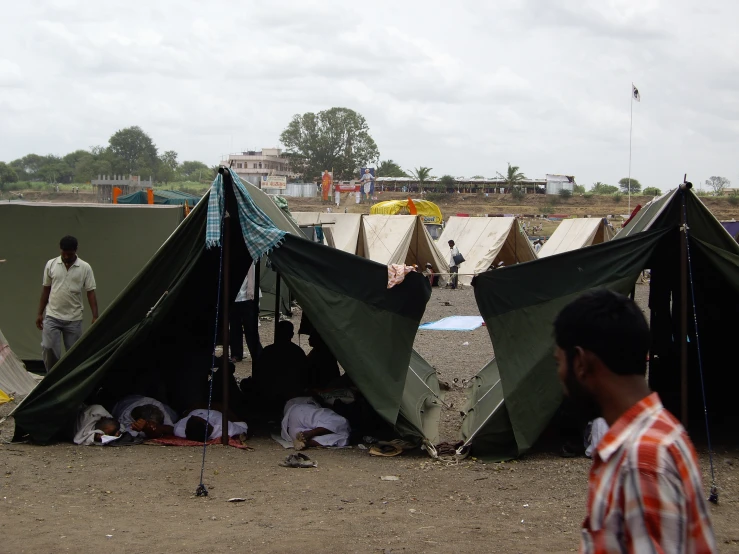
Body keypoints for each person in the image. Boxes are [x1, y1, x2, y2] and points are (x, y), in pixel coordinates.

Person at [553, 289, 716, 553]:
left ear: (581, 363)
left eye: (558, 363)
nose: (560, 378)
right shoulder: (661, 431)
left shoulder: (639, 460)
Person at [36, 235, 98, 371]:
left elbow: (90, 292)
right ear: (60, 249)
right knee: (48, 347)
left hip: (73, 318)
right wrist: (40, 313)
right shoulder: (52, 264)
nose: (66, 256)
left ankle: (70, 380)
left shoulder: (84, 267)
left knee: (74, 353)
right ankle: (52, 378)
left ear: (76, 250)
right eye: (64, 253)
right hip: (52, 315)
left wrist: (95, 316)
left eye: (69, 254)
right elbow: (46, 289)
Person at [252, 321, 308, 413]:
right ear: (291, 334)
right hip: (288, 393)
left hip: (273, 393)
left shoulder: (268, 351)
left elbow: (258, 374)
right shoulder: (297, 352)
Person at [281, 396, 351, 450]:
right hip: (298, 413)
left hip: (290, 431)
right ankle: (310, 433)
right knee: (342, 422)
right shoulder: (298, 400)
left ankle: (307, 442)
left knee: (344, 437)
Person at [229, 262, 262, 363]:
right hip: (233, 295)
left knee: (250, 326)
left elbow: (250, 267)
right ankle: (236, 354)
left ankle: (257, 353)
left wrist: (250, 287)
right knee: (234, 326)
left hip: (247, 294)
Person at [112, 395, 178, 438]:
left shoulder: (156, 405)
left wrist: (157, 427)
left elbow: (171, 428)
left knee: (174, 416)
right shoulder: (125, 420)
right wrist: (147, 428)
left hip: (141, 397)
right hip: (120, 404)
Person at [174, 408, 248, 442]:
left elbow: (178, 424)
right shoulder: (225, 428)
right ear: (206, 424)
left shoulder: (180, 430)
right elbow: (244, 427)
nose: (193, 416)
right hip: (216, 410)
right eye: (200, 419)